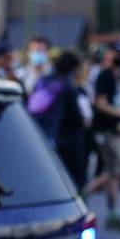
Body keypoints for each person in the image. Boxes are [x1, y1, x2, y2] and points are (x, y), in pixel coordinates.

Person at [85, 43, 120, 231]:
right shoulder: (104, 75)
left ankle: (113, 211)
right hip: (107, 130)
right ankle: (82, 194)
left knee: (116, 173)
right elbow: (101, 104)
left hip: (119, 131)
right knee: (115, 171)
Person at [28, 51, 89, 188]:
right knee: (72, 182)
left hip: (40, 135)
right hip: (65, 141)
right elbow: (76, 119)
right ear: (74, 68)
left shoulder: (43, 80)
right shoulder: (67, 86)